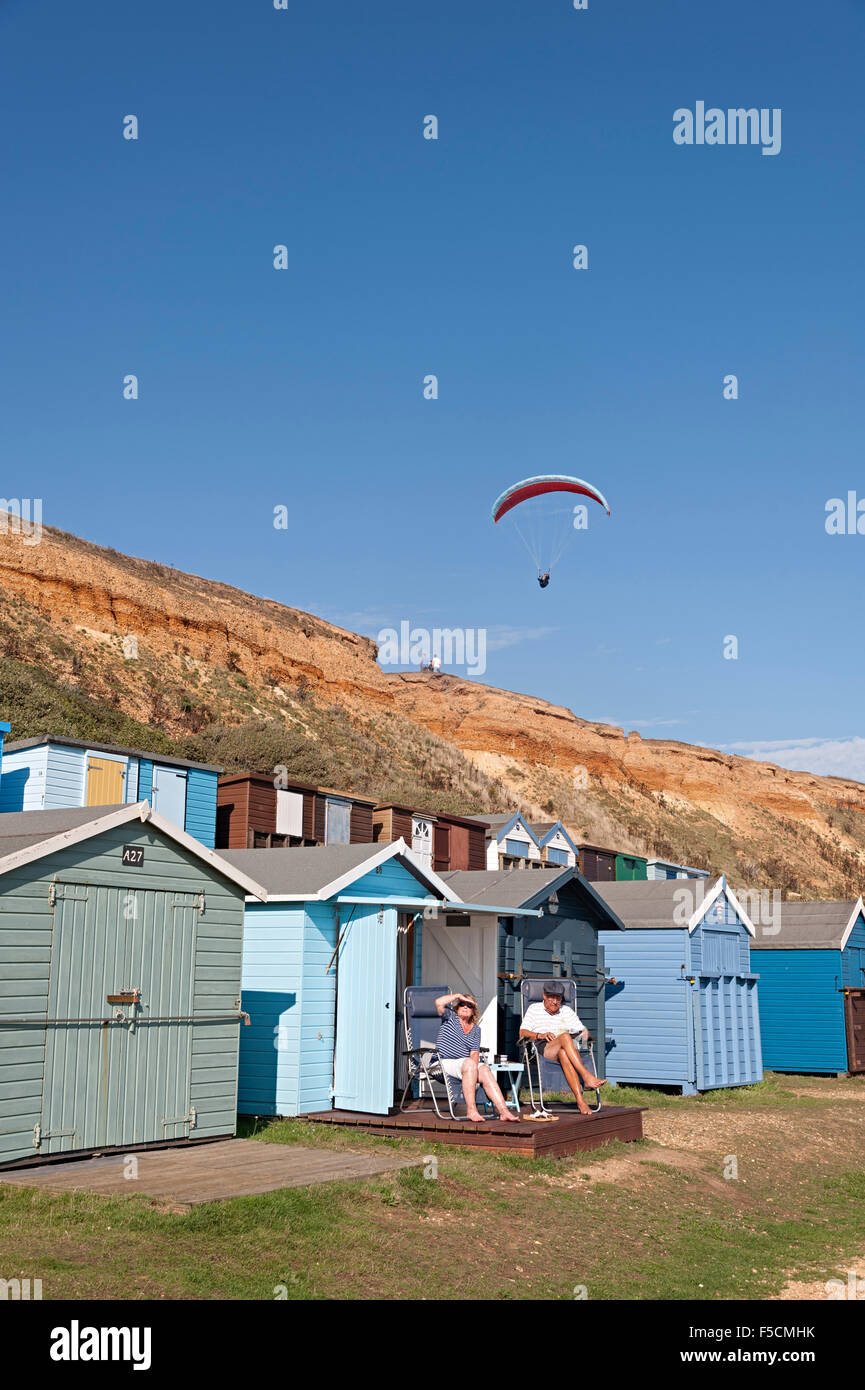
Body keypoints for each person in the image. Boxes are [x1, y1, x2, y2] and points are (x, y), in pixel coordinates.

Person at [519, 980, 606, 1116]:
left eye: (558, 998)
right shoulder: (534, 1009)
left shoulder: (566, 1011)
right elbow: (522, 1033)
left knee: (564, 1051)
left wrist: (583, 1033)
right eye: (551, 997)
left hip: (567, 1049)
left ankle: (581, 1101)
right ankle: (586, 1076)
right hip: (543, 1047)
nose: (555, 1002)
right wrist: (540, 1035)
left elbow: (583, 1032)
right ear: (544, 996)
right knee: (565, 1037)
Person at [435, 991, 520, 1122]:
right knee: (469, 1064)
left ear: (473, 1011)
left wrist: (474, 1072)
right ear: (456, 1008)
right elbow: (438, 1002)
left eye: (469, 1005)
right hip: (443, 1062)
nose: (465, 1007)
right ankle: (471, 1110)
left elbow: (474, 1053)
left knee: (484, 1069)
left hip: (464, 1066)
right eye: (462, 1004)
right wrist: (458, 996)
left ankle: (504, 1111)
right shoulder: (450, 1017)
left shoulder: (476, 1030)